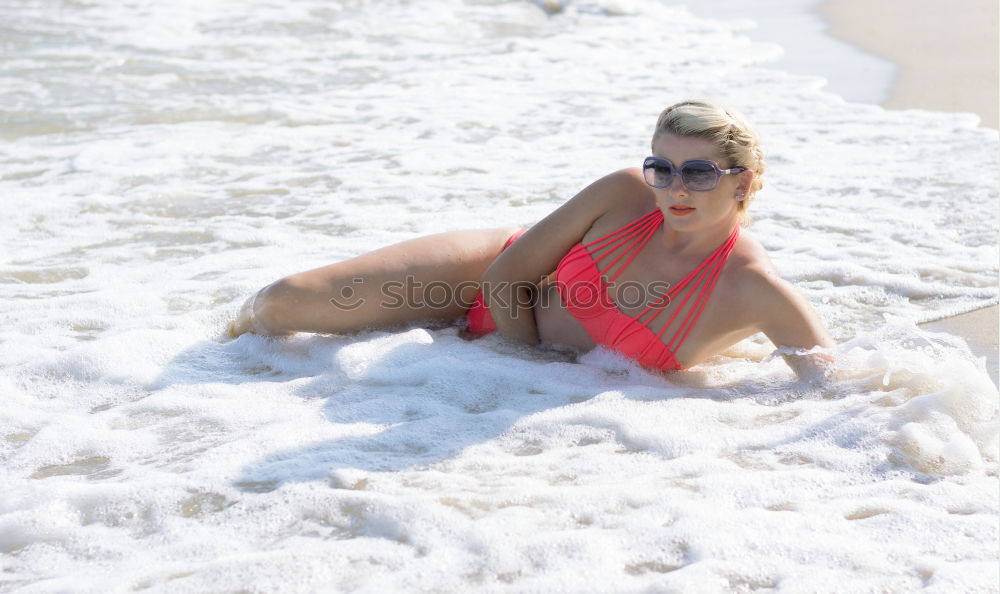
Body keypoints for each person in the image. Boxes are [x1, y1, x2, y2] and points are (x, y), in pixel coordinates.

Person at [228, 100, 836, 379]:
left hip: (499, 351)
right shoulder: (626, 193)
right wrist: (517, 365)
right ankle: (205, 345)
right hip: (480, 282)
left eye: (699, 172)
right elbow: (504, 278)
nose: (675, 188)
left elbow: (835, 389)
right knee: (280, 305)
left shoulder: (753, 289)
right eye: (663, 168)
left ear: (743, 183)